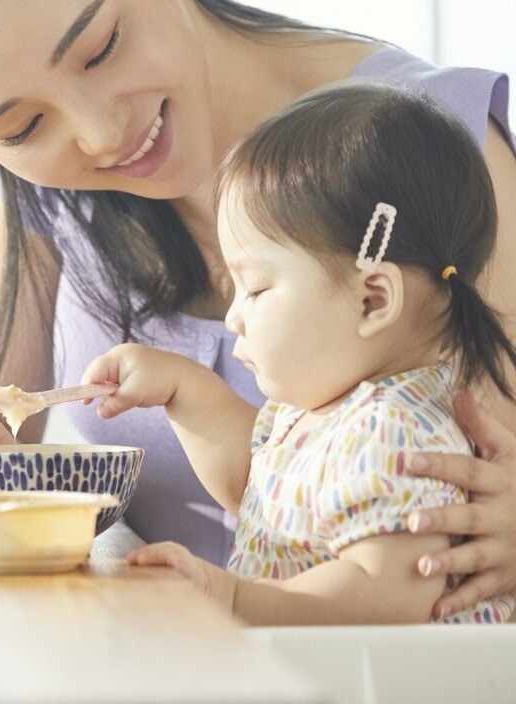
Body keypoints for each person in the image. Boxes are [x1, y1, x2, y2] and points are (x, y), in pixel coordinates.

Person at [0, 0, 516, 620]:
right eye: (22, 127)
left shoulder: (431, 144)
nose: (101, 134)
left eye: (100, 48)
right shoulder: (40, 186)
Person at [81, 82, 515, 624]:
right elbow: (255, 485)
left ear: (372, 298)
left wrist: (234, 598)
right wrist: (181, 389)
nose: (234, 315)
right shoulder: (330, 414)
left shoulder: (395, 431)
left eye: (257, 289)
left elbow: (388, 594)